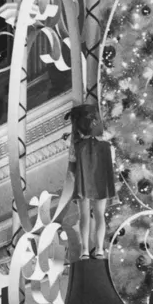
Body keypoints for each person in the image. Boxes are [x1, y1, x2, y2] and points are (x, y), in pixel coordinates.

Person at [68, 102, 115, 259]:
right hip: (101, 180)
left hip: (83, 181)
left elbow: (72, 167)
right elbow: (111, 164)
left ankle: (85, 250)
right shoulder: (106, 144)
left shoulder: (76, 145)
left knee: (84, 216)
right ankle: (100, 249)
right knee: (100, 214)